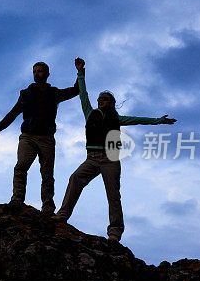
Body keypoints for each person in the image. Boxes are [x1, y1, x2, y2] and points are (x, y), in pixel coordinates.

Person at [55, 58, 176, 242]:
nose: (100, 101)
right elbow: (83, 95)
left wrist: (159, 120)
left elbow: (138, 120)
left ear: (111, 103)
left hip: (110, 159)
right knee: (75, 179)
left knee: (113, 195)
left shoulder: (116, 118)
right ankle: (62, 215)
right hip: (92, 158)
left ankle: (115, 232)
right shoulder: (90, 113)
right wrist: (80, 73)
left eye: (104, 99)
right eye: (99, 99)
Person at [0, 62, 79, 214]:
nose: (37, 74)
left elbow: (76, 90)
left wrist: (80, 72)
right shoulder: (26, 94)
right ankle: (17, 199)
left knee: (47, 172)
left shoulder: (53, 93)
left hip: (47, 138)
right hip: (28, 136)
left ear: (47, 74)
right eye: (34, 71)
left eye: (40, 71)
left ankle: (48, 206)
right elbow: (12, 114)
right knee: (21, 166)